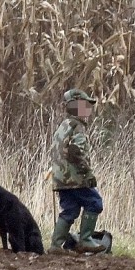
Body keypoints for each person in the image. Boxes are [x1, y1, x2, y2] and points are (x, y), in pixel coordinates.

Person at [49, 88, 106, 254]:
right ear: (76, 106)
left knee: (70, 209)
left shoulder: (63, 125)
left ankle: (55, 245)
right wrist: (88, 174)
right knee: (95, 202)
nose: (88, 109)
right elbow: (76, 152)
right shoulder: (78, 127)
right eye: (85, 105)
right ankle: (86, 240)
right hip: (75, 178)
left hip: (60, 179)